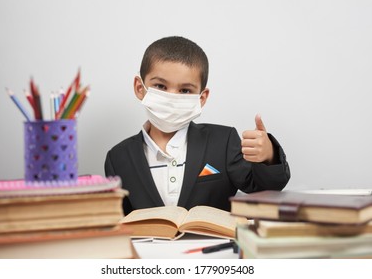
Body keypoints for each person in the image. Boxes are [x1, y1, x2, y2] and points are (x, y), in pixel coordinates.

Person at [105, 36, 290, 215]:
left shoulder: (222, 142)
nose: (172, 97)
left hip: (214, 246)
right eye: (161, 86)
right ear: (139, 87)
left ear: (201, 98)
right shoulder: (118, 158)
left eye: (185, 90)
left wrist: (268, 156)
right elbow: (119, 220)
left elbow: (266, 190)